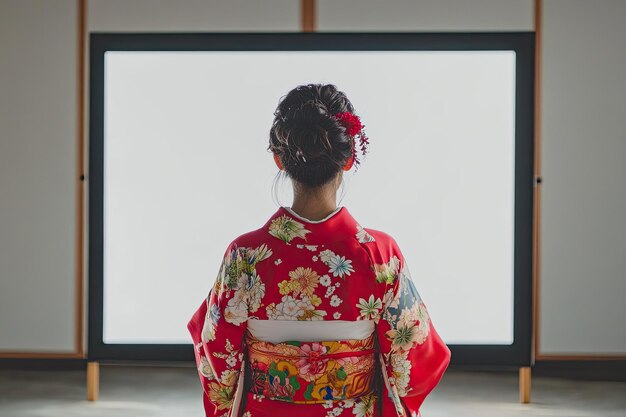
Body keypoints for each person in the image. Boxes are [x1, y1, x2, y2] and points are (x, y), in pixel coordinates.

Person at [187, 83, 451, 417]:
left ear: (279, 158)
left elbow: (216, 355)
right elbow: (413, 359)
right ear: (348, 159)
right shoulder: (378, 255)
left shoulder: (246, 256)